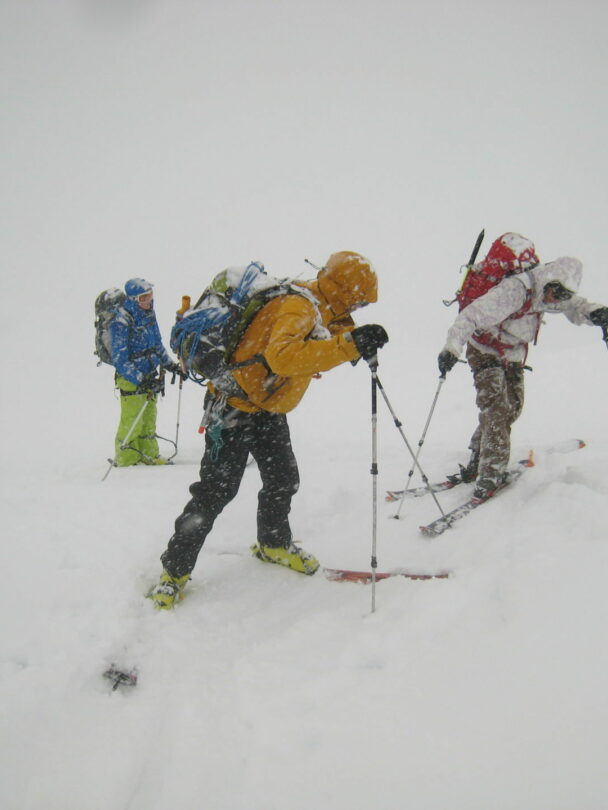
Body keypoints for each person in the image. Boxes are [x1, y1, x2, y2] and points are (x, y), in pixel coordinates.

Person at [150, 251, 388, 608]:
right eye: (358, 298)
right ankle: (173, 572)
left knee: (282, 479)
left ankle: (273, 543)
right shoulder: (299, 305)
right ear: (342, 288)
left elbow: (327, 336)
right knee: (215, 493)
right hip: (231, 407)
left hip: (266, 409)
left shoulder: (319, 306)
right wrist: (348, 345)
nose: (359, 305)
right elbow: (283, 356)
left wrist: (355, 339)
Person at [437, 232, 608, 500]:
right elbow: (469, 316)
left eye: (564, 294)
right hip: (484, 350)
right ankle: (490, 474)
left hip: (514, 354)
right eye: (557, 292)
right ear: (549, 281)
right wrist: (451, 348)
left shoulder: (554, 292)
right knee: (496, 408)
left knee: (512, 408)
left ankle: (478, 457)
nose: (557, 299)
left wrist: (598, 314)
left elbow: (577, 306)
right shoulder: (515, 290)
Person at [110, 278, 179, 467]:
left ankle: (149, 454)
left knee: (148, 417)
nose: (148, 300)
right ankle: (126, 459)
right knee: (132, 419)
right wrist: (140, 380)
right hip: (131, 378)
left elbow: (156, 344)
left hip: (150, 374)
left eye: (150, 295)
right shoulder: (121, 321)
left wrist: (170, 364)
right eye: (143, 297)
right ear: (133, 299)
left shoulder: (149, 314)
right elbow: (120, 359)